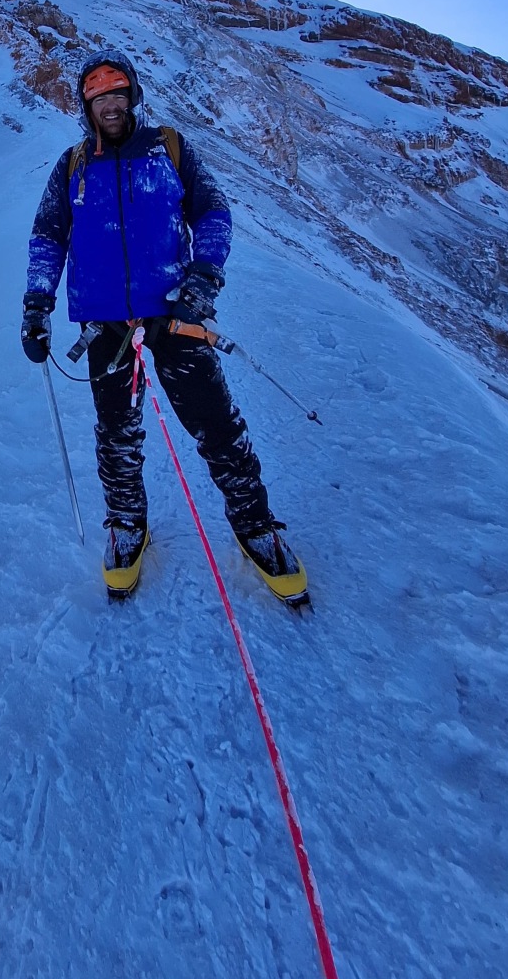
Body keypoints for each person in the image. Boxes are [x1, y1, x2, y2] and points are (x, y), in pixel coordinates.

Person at [21, 50, 306, 601]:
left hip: (176, 312)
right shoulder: (73, 165)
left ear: (133, 96)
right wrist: (37, 304)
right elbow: (48, 236)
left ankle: (256, 526)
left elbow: (213, 212)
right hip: (103, 322)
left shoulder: (169, 149)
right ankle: (127, 523)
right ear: (86, 105)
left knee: (216, 424)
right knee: (117, 433)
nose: (109, 102)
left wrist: (203, 279)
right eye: (98, 95)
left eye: (118, 91)